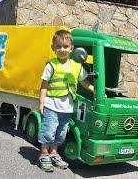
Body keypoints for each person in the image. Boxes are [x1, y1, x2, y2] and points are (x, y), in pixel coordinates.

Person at [38, 30, 94, 172]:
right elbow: (44, 85)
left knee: (61, 132)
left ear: (71, 48)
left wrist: (97, 90)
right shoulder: (51, 65)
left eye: (65, 47)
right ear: (53, 48)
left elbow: (84, 83)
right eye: (58, 47)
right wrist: (41, 103)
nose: (62, 50)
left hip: (67, 108)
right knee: (49, 131)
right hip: (52, 104)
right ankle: (44, 154)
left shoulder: (77, 66)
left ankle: (54, 153)